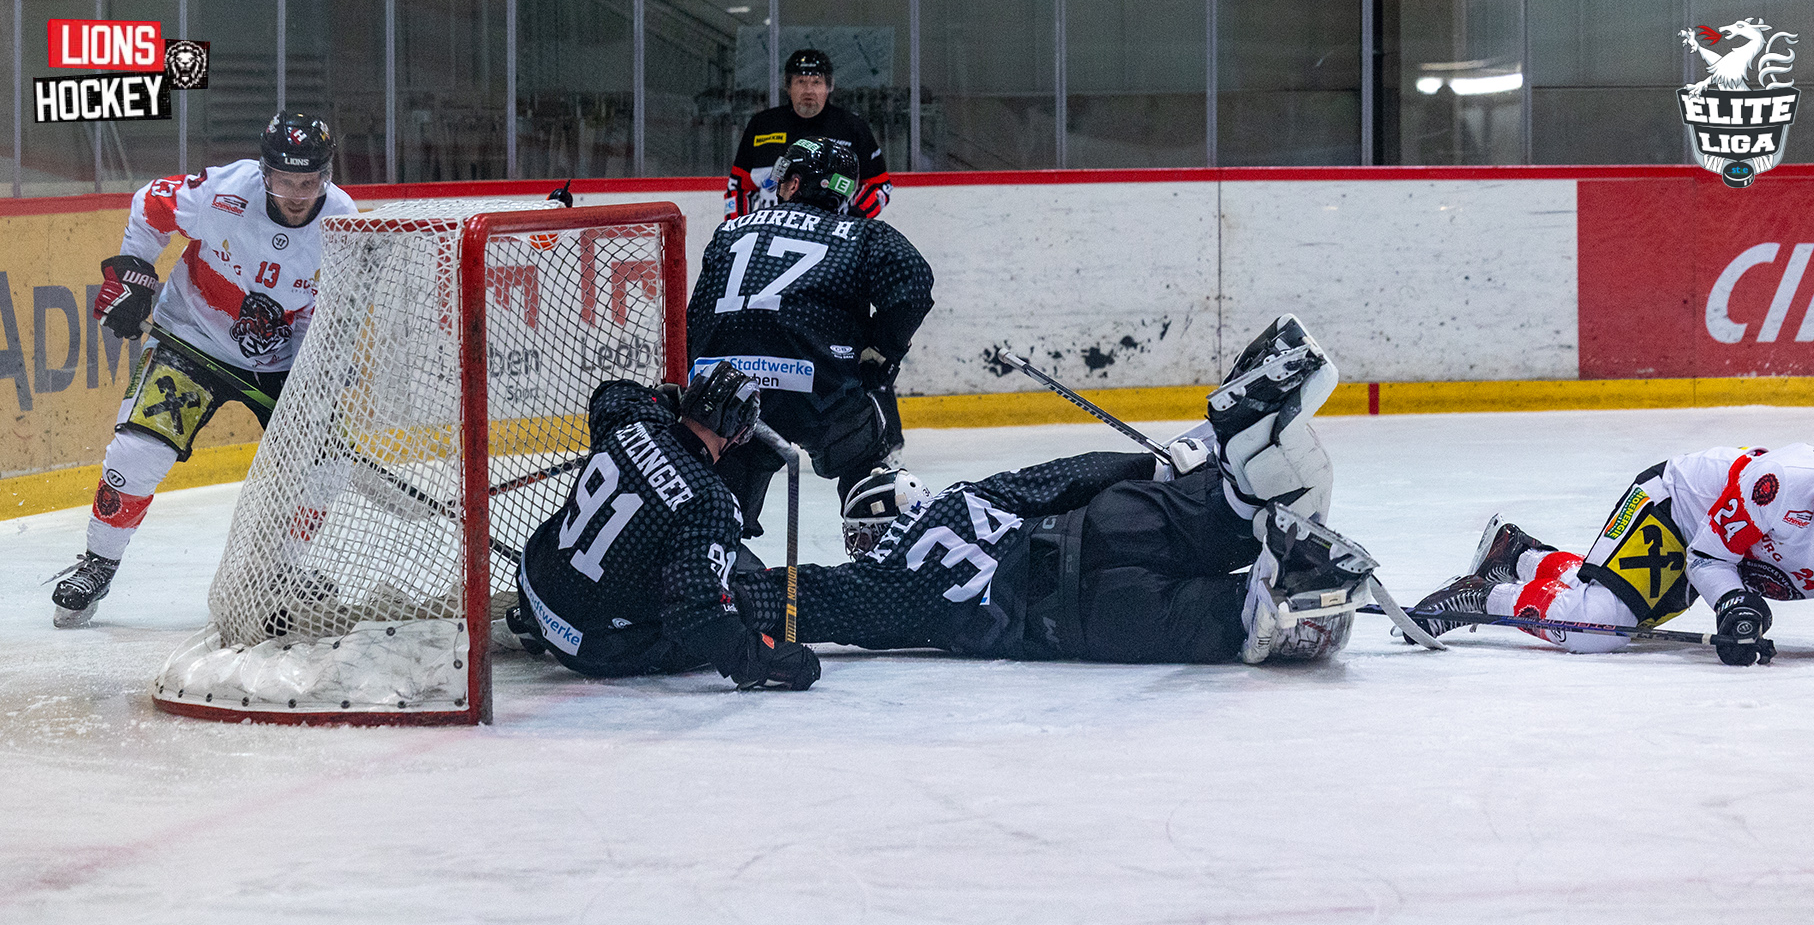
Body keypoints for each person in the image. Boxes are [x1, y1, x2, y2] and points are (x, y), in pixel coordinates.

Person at [717, 316, 1380, 667]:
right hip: (1093, 527)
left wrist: (707, 598)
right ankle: (1238, 489)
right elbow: (1060, 478)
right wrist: (1154, 466)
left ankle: (1268, 601)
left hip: (1080, 615)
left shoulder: (880, 586)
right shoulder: (958, 499)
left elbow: (799, 599)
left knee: (1225, 620)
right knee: (1209, 510)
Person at [50, 111, 357, 629]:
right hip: (192, 337)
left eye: (309, 182)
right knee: (139, 449)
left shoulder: (343, 222)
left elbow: (336, 307)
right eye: (285, 180)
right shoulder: (225, 192)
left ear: (326, 175)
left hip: (284, 358)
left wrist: (319, 367)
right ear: (265, 171)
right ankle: (99, 564)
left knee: (323, 467)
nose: (297, 195)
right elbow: (151, 203)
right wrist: (134, 272)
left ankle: (282, 569)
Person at [1410, 443, 1814, 665]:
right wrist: (1734, 604)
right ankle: (1482, 596)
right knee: (1595, 629)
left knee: (1621, 610)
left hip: (1725, 550)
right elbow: (1708, 559)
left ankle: (1520, 556)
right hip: (1678, 509)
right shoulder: (1781, 482)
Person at [510, 362, 821, 690]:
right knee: (747, 583)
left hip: (533, 588)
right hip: (593, 649)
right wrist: (761, 657)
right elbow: (700, 616)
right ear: (738, 433)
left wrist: (665, 400)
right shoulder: (711, 499)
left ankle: (531, 624)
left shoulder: (633, 421)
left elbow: (612, 393)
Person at [690, 136, 934, 539]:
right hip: (820, 393)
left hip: (729, 394)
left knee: (714, 510)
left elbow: (697, 316)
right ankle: (883, 553)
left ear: (794, 184)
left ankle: (714, 555)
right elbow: (914, 285)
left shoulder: (729, 231)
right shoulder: (862, 234)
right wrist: (880, 351)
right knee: (870, 472)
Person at [725, 48, 892, 220]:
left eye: (816, 82)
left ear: (829, 86)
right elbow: (738, 187)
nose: (808, 90)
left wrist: (854, 218)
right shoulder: (762, 125)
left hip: (833, 233)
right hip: (771, 231)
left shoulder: (852, 127)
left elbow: (879, 185)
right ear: (788, 86)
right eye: (801, 81)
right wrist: (735, 229)